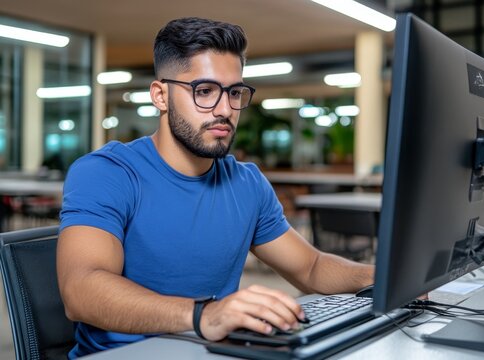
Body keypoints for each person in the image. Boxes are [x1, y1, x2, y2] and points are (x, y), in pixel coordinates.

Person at [57, 17, 374, 358]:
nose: (225, 110)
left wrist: (382, 276)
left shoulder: (247, 182)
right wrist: (203, 315)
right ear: (160, 96)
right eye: (204, 91)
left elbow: (310, 268)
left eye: (234, 92)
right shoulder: (108, 173)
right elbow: (81, 291)